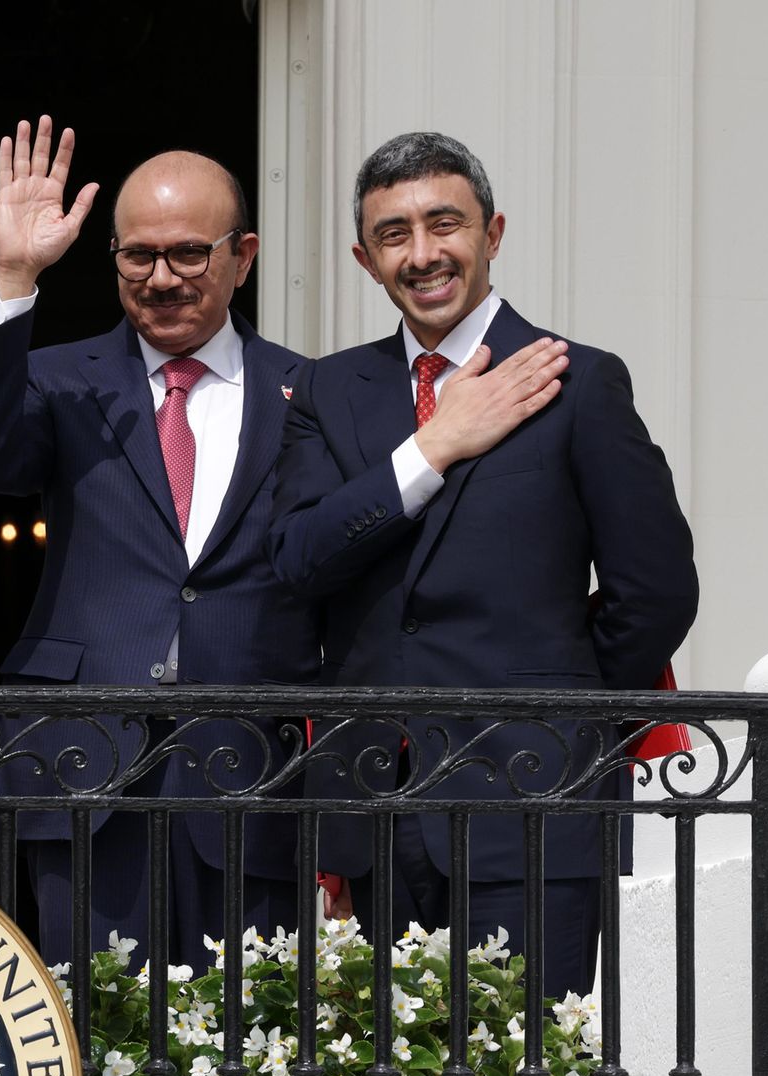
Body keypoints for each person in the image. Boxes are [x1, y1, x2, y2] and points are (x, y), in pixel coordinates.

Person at [268, 131, 699, 997]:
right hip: (374, 810)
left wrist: (555, 708)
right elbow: (300, 558)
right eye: (394, 234)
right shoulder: (328, 390)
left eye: (444, 224)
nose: (423, 254)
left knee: (536, 1054)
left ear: (492, 233)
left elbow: (654, 591)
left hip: (535, 797)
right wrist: (432, 447)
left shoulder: (578, 382)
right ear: (364, 257)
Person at [0, 118, 319, 966]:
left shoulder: (312, 392)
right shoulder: (61, 378)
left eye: (189, 254)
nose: (161, 279)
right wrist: (14, 274)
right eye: (137, 255)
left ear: (244, 255)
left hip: (251, 770)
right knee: (93, 1022)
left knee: (243, 1037)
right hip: (83, 762)